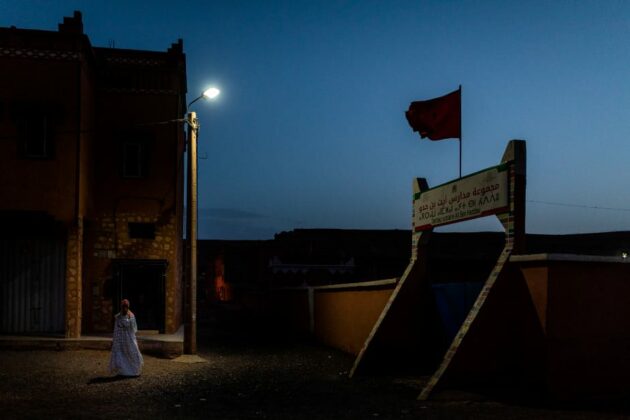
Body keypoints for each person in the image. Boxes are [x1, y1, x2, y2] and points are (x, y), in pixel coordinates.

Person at [109, 299, 144, 377]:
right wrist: (115, 340)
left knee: (132, 352)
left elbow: (134, 329)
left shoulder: (131, 316)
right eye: (123, 306)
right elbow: (116, 329)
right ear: (121, 307)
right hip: (121, 338)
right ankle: (123, 371)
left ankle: (133, 371)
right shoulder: (118, 317)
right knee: (121, 353)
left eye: (126, 306)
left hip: (129, 338)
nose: (124, 308)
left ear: (128, 307)